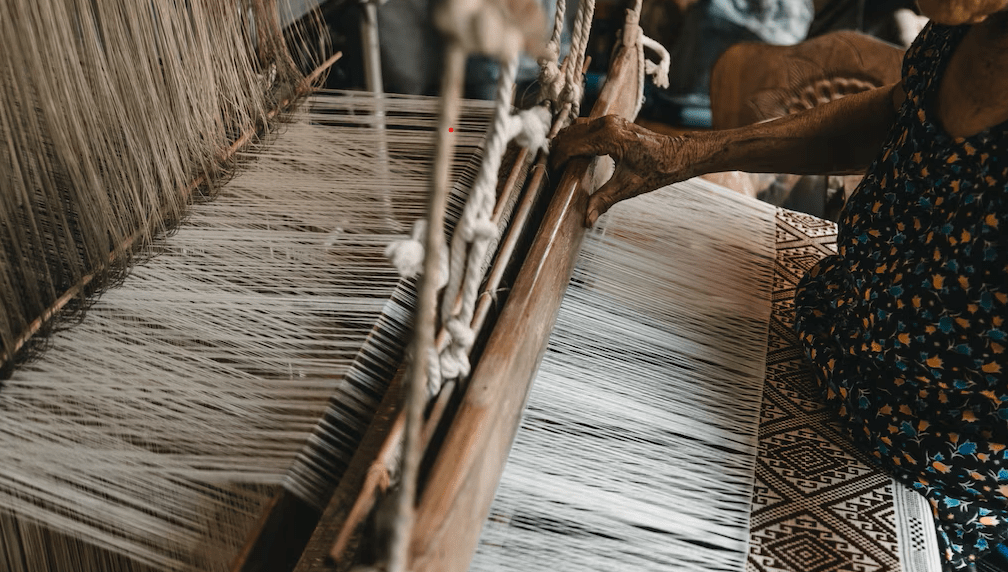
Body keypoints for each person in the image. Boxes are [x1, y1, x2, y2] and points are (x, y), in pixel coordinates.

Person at [552, 2, 1008, 570]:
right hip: (828, 324)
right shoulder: (968, 24)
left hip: (936, 479)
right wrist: (690, 153)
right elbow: (901, 111)